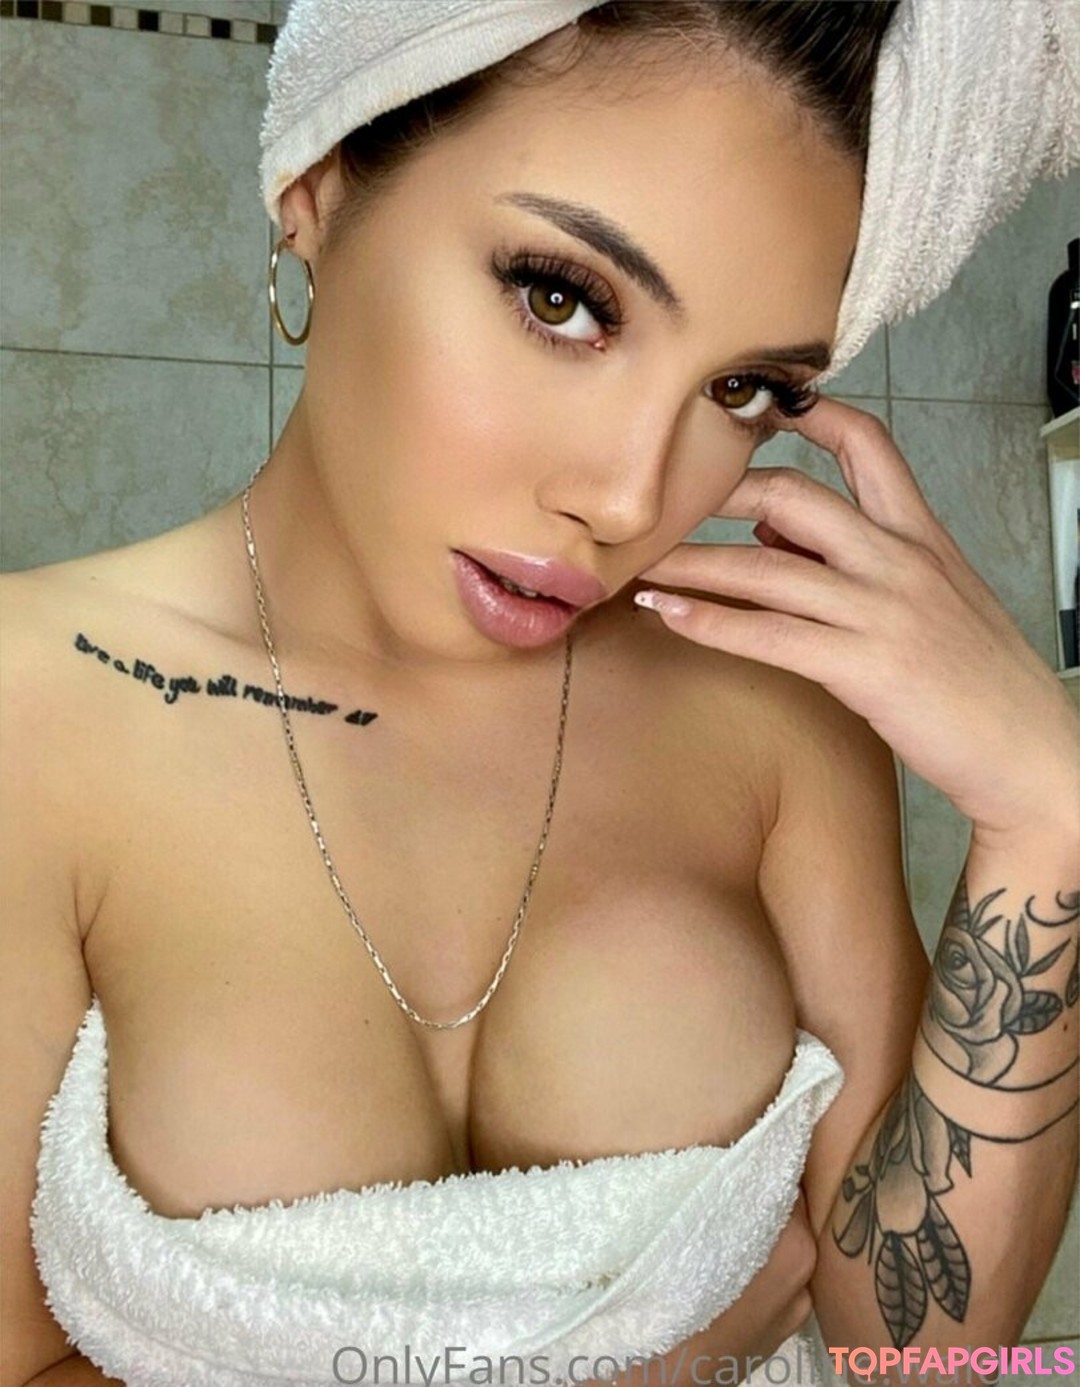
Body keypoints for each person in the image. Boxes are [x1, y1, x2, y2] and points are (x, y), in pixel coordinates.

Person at [2, 1, 1078, 1385]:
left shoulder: (777, 718)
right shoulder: (31, 713)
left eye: (744, 388)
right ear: (317, 186)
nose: (629, 496)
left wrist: (1046, 816)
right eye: (561, 300)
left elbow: (917, 1355)